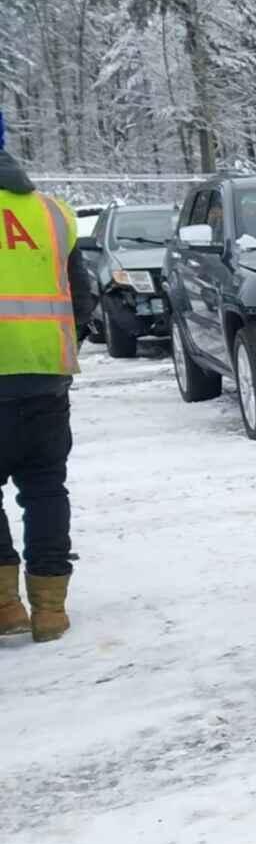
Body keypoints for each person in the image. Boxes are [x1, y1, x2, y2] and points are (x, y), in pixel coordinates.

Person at [0, 111, 92, 643]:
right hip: (44, 378)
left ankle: (6, 606)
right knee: (45, 489)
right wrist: (60, 352)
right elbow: (81, 296)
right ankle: (51, 609)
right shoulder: (52, 214)